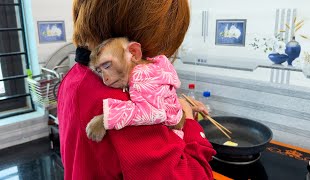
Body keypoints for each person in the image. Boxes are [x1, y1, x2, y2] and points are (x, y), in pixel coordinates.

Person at [58, 0, 216, 179]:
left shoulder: (75, 77)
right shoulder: (123, 106)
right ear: (134, 51)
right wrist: (188, 120)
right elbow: (195, 175)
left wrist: (166, 102)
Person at [86, 37, 185, 141]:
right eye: (99, 71)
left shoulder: (140, 74)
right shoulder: (152, 66)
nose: (105, 79)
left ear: (133, 53)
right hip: (175, 127)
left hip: (172, 134)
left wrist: (105, 118)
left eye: (107, 65)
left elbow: (153, 113)